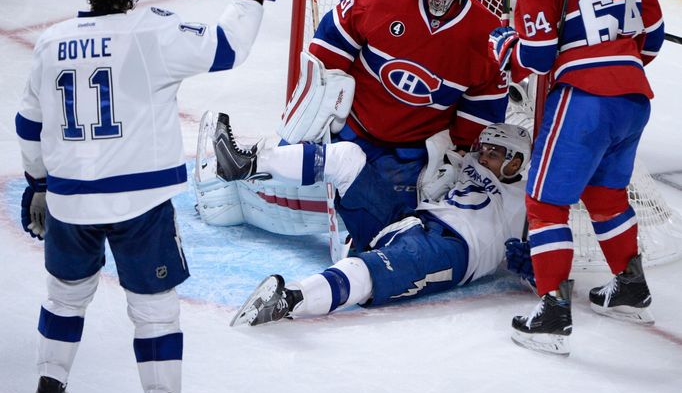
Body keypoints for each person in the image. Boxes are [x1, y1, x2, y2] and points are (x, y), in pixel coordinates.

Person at [15, 0, 291, 393]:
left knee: (64, 298)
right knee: (156, 313)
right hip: (139, 205)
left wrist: (39, 184)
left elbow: (28, 124)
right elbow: (228, 47)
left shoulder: (50, 41)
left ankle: (49, 385)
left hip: (70, 202)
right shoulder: (155, 33)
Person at [488, 0, 665, 355]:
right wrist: (616, 66)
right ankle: (630, 288)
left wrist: (507, 45)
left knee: (545, 203)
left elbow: (541, 58)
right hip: (634, 98)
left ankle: (551, 314)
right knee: (605, 195)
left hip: (583, 100)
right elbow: (654, 36)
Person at [212, 115, 531, 326]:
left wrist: (530, 263)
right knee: (347, 158)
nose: (484, 155)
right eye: (483, 148)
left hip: (450, 250)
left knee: (370, 270)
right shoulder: (469, 163)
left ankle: (290, 299)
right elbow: (439, 152)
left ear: (517, 160)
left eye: (494, 152)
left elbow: (547, 270)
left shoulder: (531, 200)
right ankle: (246, 163)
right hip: (409, 221)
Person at [283, 0, 508, 211]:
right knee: (286, 180)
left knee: (394, 219)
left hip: (410, 156)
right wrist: (318, 104)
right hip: (349, 128)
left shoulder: (485, 34)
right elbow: (331, 42)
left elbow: (482, 108)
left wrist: (459, 153)